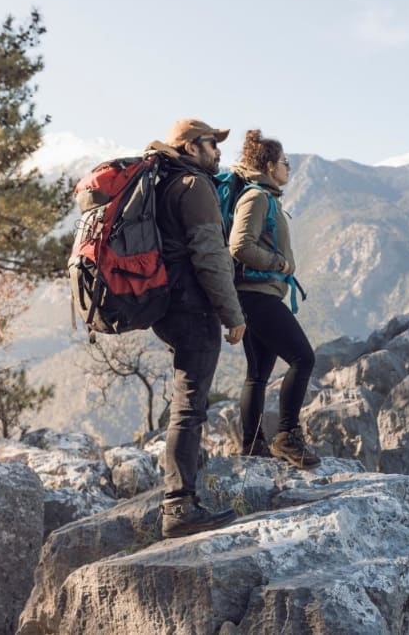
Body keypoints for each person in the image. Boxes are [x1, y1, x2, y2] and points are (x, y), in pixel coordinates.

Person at [146, 119, 247, 538]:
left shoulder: (162, 182)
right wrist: (233, 314)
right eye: (212, 144)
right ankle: (179, 506)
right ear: (189, 146)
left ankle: (182, 498)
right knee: (189, 409)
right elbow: (210, 255)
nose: (219, 151)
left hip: (167, 306)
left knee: (185, 405)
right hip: (193, 307)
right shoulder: (193, 186)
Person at [229, 129, 319, 468]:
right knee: (303, 359)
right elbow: (239, 246)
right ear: (269, 166)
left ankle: (252, 446)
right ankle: (287, 436)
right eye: (285, 163)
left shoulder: (265, 196)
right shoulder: (257, 198)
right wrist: (276, 263)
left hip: (255, 296)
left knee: (258, 374)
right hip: (257, 296)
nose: (289, 169)